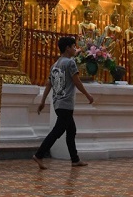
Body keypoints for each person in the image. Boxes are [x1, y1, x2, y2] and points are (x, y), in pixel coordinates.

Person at [33, 36, 94, 169]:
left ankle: (75, 159)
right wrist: (87, 95)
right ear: (67, 48)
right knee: (58, 131)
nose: (74, 49)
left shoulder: (55, 64)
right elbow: (76, 81)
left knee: (71, 130)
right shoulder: (70, 63)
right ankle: (39, 154)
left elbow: (49, 84)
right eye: (73, 47)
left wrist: (43, 101)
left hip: (57, 102)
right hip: (66, 102)